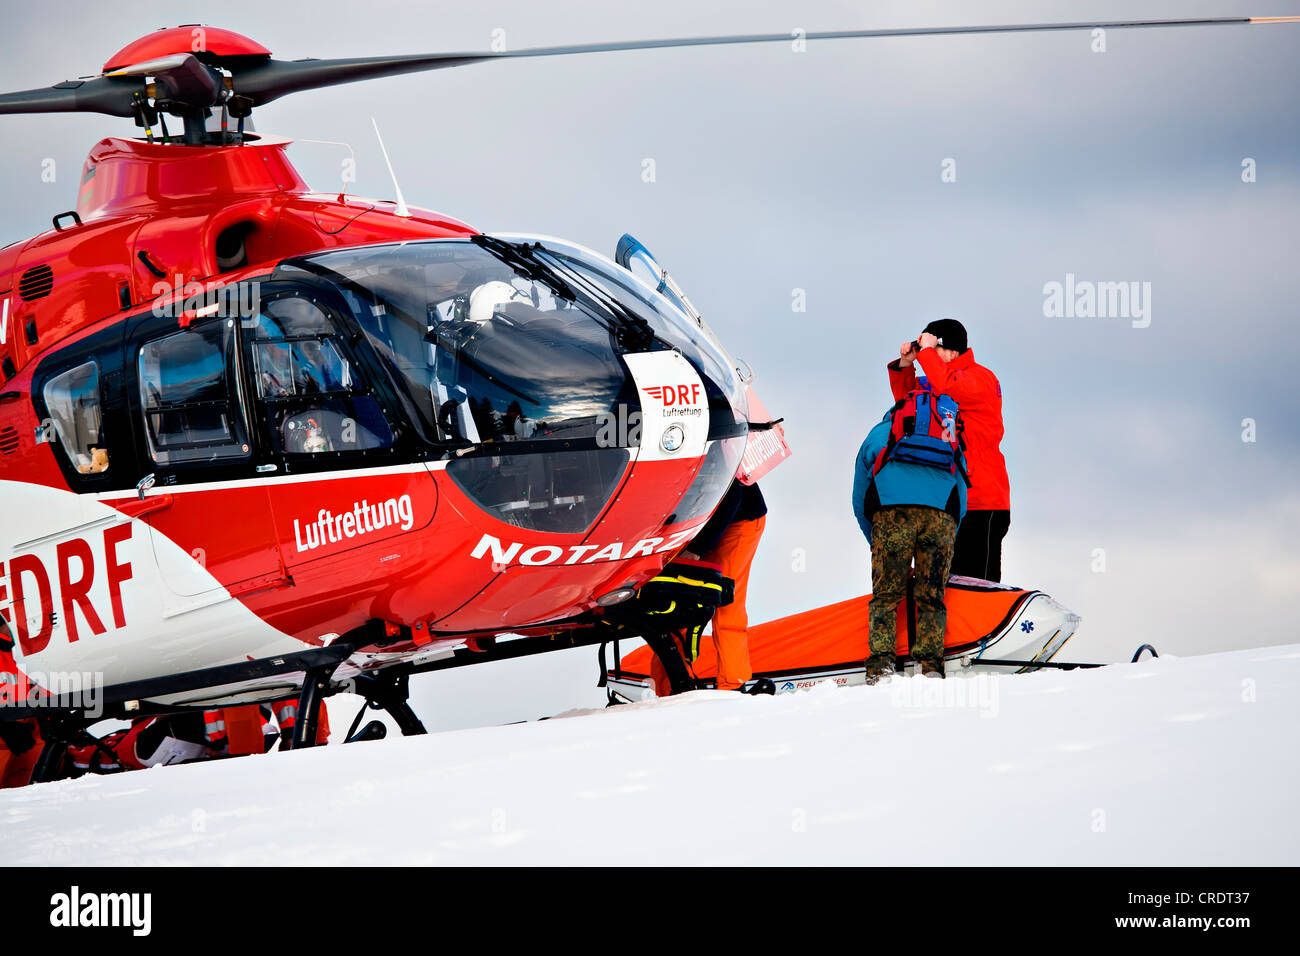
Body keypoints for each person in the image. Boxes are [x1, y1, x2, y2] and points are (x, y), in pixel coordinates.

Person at [852, 394, 968, 682]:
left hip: (891, 515)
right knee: (931, 596)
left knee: (886, 597)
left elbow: (859, 500)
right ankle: (930, 667)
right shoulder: (947, 431)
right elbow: (962, 499)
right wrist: (948, 537)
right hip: (939, 516)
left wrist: (877, 543)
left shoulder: (879, 434)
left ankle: (881, 668)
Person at [888, 319, 1010, 581]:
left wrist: (927, 352)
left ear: (952, 351)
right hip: (948, 501)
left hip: (982, 503)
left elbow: (947, 386)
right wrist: (906, 364)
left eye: (934, 349)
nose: (926, 357)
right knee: (947, 590)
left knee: (978, 587)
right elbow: (909, 404)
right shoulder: (939, 379)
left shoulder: (982, 379)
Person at [649, 478, 766, 694]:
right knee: (672, 604)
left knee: (725, 603)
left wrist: (696, 550)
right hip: (691, 523)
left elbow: (730, 496)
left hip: (738, 521)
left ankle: (732, 686)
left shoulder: (710, 451)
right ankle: (668, 690)